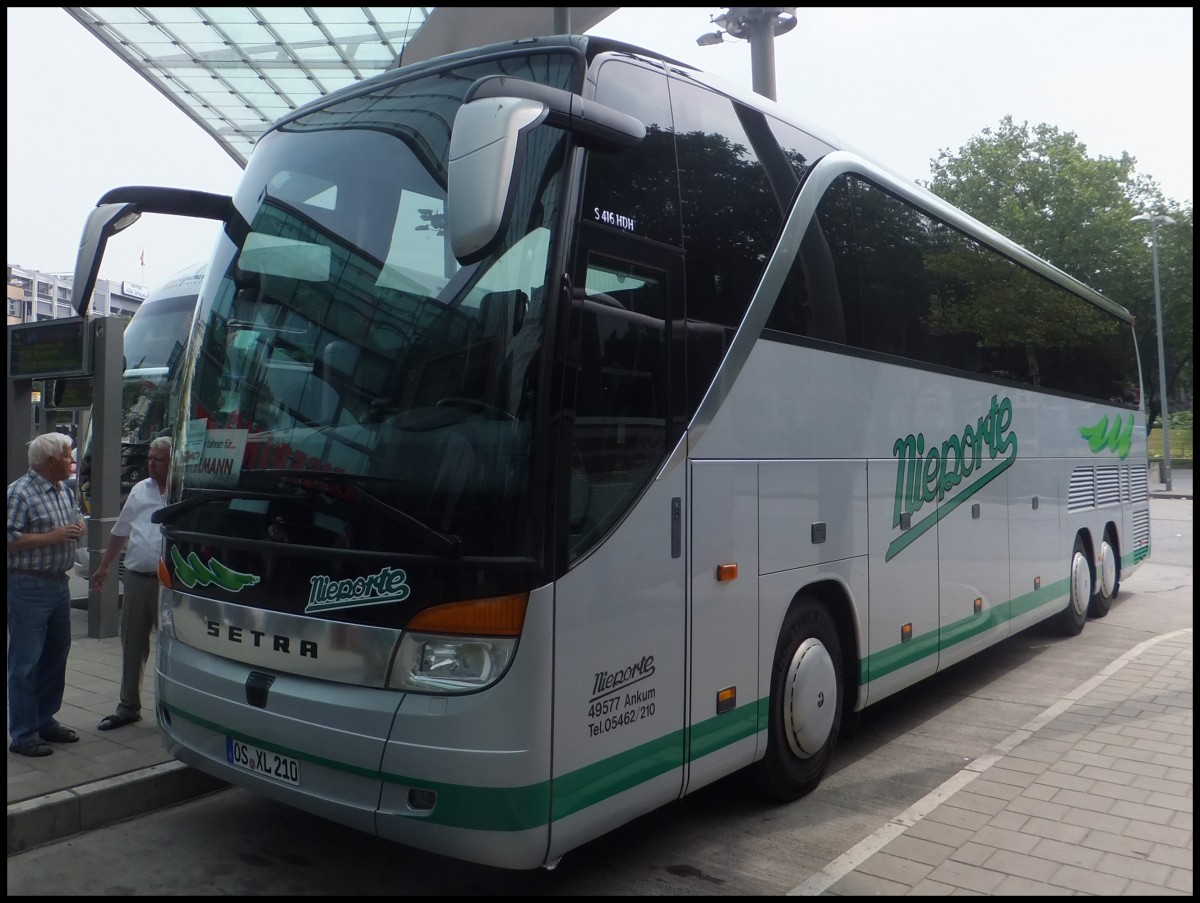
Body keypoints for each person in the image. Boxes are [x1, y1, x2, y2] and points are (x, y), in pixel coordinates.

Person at [7, 432, 87, 757]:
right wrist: (51, 537)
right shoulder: (19, 493)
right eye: (68, 456)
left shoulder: (62, 490)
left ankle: (45, 720)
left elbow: (75, 516)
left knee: (56, 656)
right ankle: (24, 735)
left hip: (58, 583)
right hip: (28, 585)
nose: (72, 461)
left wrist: (78, 526)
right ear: (50, 460)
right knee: (25, 663)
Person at [90, 436, 171, 731]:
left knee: (172, 648)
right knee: (133, 644)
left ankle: (171, 707)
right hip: (138, 578)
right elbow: (120, 531)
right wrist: (104, 566)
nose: (150, 463)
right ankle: (128, 707)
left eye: (158, 459)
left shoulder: (182, 491)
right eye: (149, 457)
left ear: (172, 463)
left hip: (172, 584)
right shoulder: (140, 490)